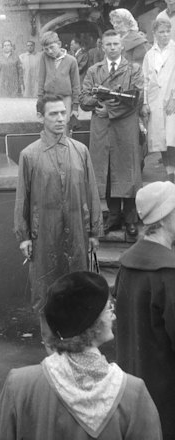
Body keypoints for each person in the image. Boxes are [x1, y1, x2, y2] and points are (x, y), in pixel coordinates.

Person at [0, 271, 162, 440]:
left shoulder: (20, 386)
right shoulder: (134, 393)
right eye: (109, 308)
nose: (114, 315)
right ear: (93, 322)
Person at [14, 95, 102, 327]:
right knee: (46, 291)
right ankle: (51, 345)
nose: (60, 118)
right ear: (41, 117)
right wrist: (23, 237)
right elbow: (22, 198)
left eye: (63, 113)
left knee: (78, 287)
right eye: (53, 114)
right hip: (44, 234)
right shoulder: (30, 155)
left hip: (77, 232)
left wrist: (94, 231)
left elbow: (91, 192)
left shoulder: (80, 151)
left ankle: (78, 345)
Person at [114, 181, 175, 440]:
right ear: (162, 219)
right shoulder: (168, 273)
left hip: (131, 393)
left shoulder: (126, 266)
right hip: (167, 397)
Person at [80, 30, 144, 240]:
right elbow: (83, 97)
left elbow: (136, 99)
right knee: (106, 169)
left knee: (128, 169)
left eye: (116, 44)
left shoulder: (133, 69)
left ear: (122, 46)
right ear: (102, 46)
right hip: (102, 128)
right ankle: (113, 216)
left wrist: (110, 110)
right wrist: (98, 101)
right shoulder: (93, 70)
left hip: (125, 126)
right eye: (108, 44)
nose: (113, 47)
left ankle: (131, 219)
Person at [141, 17, 175, 179]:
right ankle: (170, 177)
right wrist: (145, 103)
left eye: (168, 31)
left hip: (171, 100)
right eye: (161, 32)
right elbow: (146, 80)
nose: (165, 35)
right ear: (154, 33)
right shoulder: (150, 55)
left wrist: (174, 99)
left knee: (173, 139)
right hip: (155, 102)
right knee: (163, 142)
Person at [37, 31, 80, 129]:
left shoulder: (71, 60)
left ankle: (65, 144)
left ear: (59, 44)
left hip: (65, 99)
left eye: (52, 47)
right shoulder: (44, 57)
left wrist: (75, 108)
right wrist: (40, 99)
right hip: (48, 97)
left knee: (63, 126)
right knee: (49, 126)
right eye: (46, 49)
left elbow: (76, 85)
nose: (49, 51)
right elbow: (41, 79)